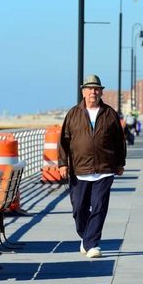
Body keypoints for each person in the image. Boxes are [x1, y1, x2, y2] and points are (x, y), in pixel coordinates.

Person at [58, 74, 126, 259]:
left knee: (99, 207)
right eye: (89, 89)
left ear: (101, 92)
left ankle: (92, 244)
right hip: (79, 170)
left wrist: (120, 163)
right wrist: (63, 163)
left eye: (96, 89)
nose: (93, 92)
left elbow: (119, 141)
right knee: (79, 209)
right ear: (83, 92)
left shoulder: (110, 113)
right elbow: (63, 141)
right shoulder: (73, 113)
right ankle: (86, 236)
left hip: (104, 170)